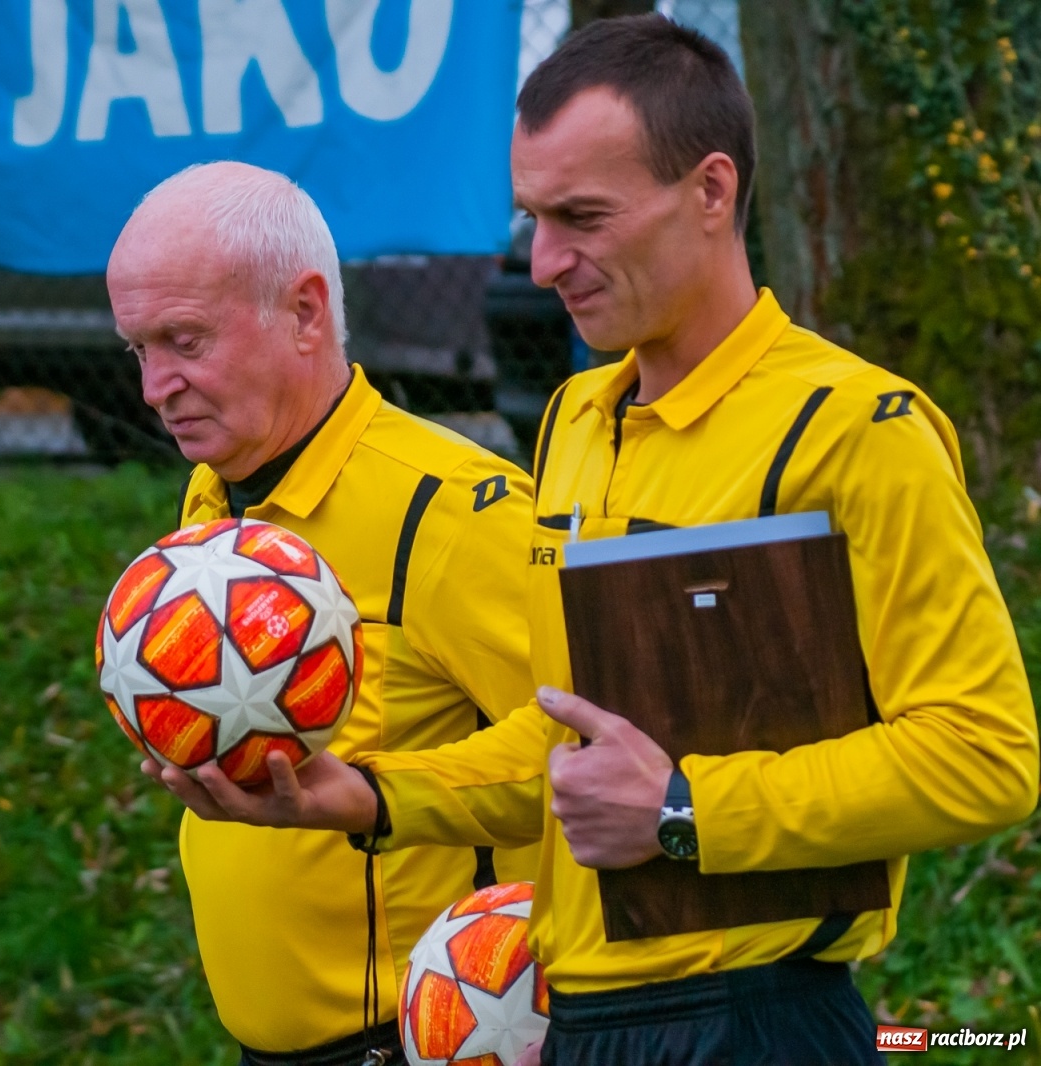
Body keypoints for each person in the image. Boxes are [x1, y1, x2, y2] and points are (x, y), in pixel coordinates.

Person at [152, 17, 1041, 1066]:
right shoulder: (576, 419)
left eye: (582, 218)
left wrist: (684, 810)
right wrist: (375, 794)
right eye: (531, 219)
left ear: (710, 192)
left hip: (754, 1021)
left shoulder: (854, 429)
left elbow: (985, 754)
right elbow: (572, 744)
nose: (542, 263)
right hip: (577, 1023)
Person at [106, 161, 541, 1065]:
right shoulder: (214, 501)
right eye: (138, 350)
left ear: (305, 312)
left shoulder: (452, 512)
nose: (154, 387)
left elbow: (600, 751)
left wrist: (379, 798)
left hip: (417, 1044)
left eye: (185, 340)